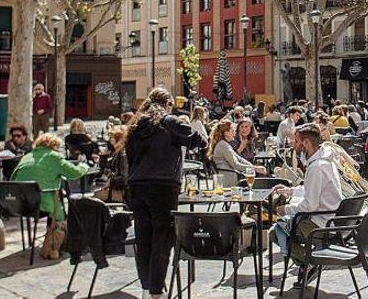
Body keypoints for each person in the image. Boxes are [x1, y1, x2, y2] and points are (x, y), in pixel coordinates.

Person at [125, 88, 205, 299]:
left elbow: (130, 158)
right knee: (163, 238)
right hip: (163, 186)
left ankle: (147, 286)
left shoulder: (135, 126)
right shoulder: (171, 122)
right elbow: (198, 141)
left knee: (144, 238)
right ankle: (156, 291)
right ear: (168, 104)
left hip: (137, 185)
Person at [271, 124, 344, 277]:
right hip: (331, 217)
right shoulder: (324, 160)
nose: (293, 145)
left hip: (322, 222)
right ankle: (309, 263)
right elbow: (313, 189)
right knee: (285, 225)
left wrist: (285, 209)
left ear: (306, 143)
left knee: (276, 232)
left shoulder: (317, 166)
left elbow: (310, 205)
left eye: (296, 141)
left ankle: (310, 261)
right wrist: (290, 190)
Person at [11, 133, 88, 259]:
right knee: (58, 211)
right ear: (54, 146)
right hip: (41, 203)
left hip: (19, 203)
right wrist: (84, 165)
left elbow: (13, 178)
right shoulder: (54, 157)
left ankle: (49, 240)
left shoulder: (27, 156)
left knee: (52, 201)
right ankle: (55, 246)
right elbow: (75, 173)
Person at [209, 120, 266, 187]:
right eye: (232, 131)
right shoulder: (223, 145)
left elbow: (240, 159)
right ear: (226, 133)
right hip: (229, 178)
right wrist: (254, 168)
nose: (234, 133)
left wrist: (253, 167)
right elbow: (235, 164)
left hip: (234, 174)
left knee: (262, 177)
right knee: (262, 180)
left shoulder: (226, 144)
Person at [94, 125, 129, 203]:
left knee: (95, 197)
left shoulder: (123, 153)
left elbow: (124, 178)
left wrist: (111, 181)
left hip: (124, 192)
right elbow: (106, 170)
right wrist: (103, 159)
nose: (109, 139)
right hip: (117, 187)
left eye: (111, 137)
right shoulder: (116, 151)